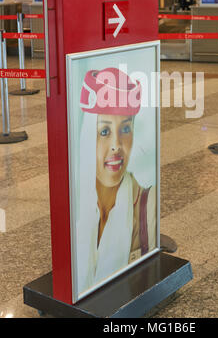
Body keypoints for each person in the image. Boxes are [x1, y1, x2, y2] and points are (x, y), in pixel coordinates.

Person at [76, 67, 156, 294]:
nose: (116, 145)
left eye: (126, 129)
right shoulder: (75, 208)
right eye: (104, 132)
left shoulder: (147, 205)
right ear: (86, 139)